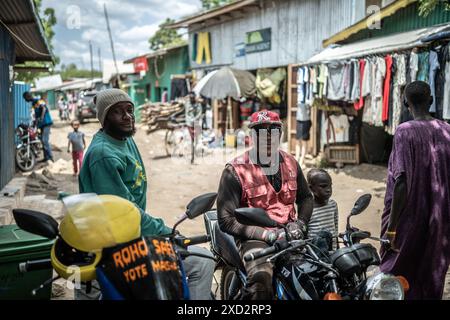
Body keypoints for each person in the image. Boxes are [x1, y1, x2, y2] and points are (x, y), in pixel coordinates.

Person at [78, 88, 214, 300]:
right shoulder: (103, 154)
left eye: (130, 110)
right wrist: (166, 233)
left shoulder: (124, 138)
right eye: (118, 112)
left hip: (131, 235)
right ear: (104, 119)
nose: (127, 116)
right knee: (203, 261)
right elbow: (123, 213)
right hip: (110, 245)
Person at [217, 110, 314, 300]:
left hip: (290, 231)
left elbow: (306, 198)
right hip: (255, 237)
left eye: (273, 131)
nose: (268, 137)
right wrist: (266, 234)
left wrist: (301, 223)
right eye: (261, 131)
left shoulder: (291, 163)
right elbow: (225, 220)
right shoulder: (235, 170)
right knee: (261, 284)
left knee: (321, 272)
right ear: (252, 136)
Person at [380, 81, 450, 300]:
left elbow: (401, 181)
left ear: (404, 102)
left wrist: (391, 228)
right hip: (440, 216)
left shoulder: (404, 131)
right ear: (431, 101)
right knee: (431, 271)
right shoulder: (447, 129)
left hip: (409, 218)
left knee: (397, 274)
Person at [306, 169, 338, 249]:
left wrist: (337, 248)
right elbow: (304, 235)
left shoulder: (333, 205)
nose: (328, 190)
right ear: (311, 188)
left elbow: (335, 229)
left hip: (333, 252)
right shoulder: (306, 209)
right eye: (323, 186)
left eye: (330, 185)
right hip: (316, 254)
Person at [23, 92, 54, 162]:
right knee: (42, 140)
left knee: (44, 140)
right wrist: (35, 123)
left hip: (46, 122)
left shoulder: (38, 100)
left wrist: (42, 117)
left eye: (25, 98)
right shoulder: (34, 103)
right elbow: (37, 115)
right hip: (41, 124)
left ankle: (50, 157)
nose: (25, 100)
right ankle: (46, 157)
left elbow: (44, 108)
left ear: (28, 96)